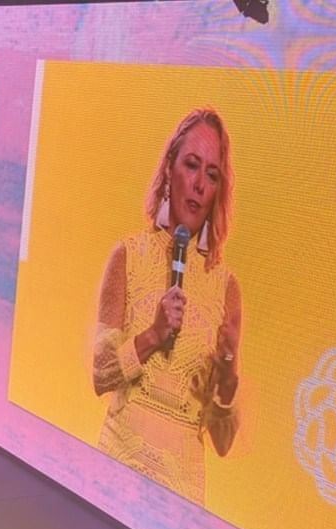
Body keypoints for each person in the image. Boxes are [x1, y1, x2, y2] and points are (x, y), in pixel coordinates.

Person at [90, 107, 243, 505]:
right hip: (117, 472)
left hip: (181, 493)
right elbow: (100, 375)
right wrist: (154, 335)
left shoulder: (227, 288)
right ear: (169, 169)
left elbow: (224, 442)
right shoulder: (127, 256)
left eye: (211, 175)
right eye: (191, 166)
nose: (198, 185)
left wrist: (227, 378)